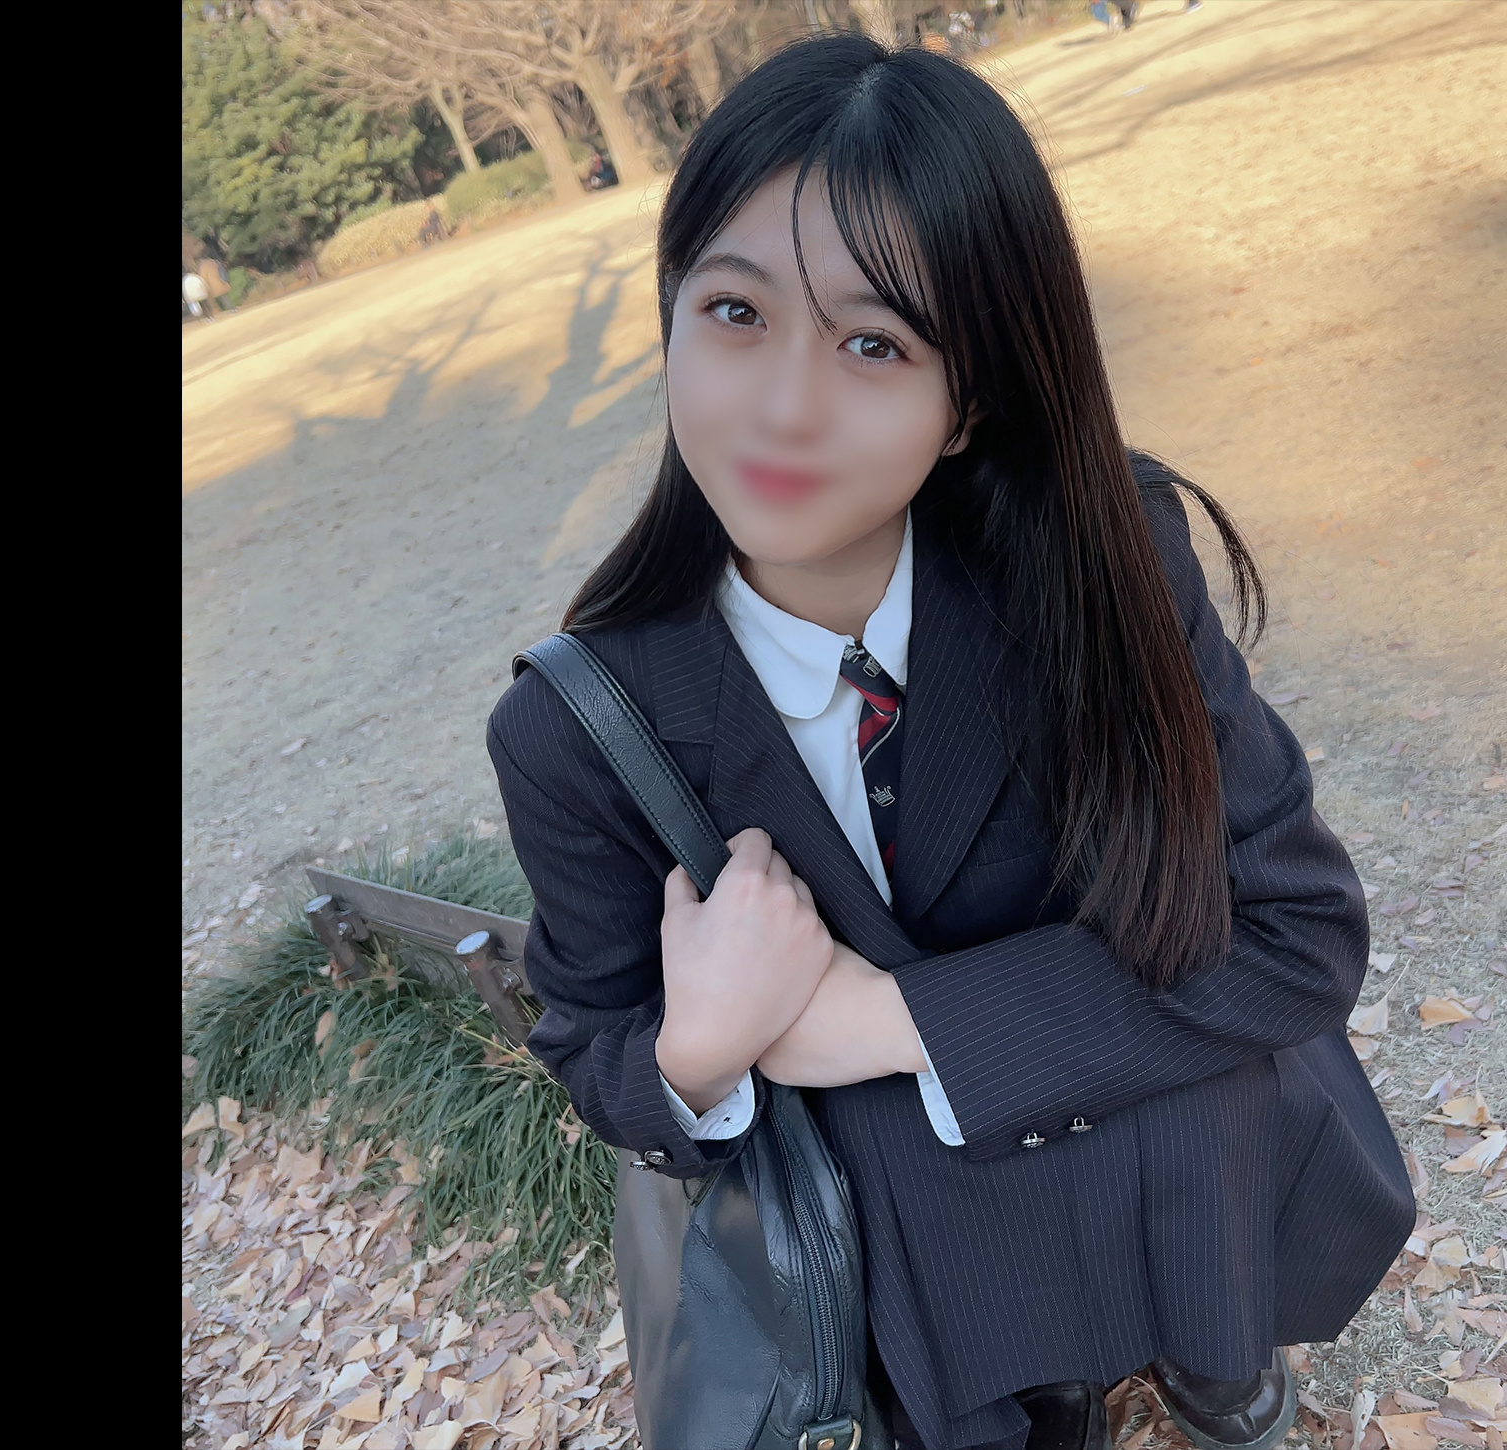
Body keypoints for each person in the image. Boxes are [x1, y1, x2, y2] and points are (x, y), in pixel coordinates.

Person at [487, 32, 1408, 1450]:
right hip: (926, 1267)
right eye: (735, 312)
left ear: (969, 400)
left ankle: (1214, 1351)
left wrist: (888, 1022)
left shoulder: (1098, 558)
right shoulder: (577, 727)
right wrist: (700, 1051)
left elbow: (1291, 930)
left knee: (1204, 1147)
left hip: (1143, 1132)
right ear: (671, 315)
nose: (784, 406)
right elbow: (596, 1050)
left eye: (874, 343)